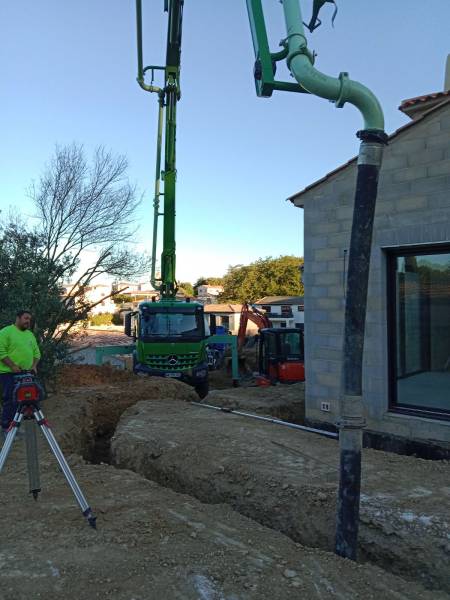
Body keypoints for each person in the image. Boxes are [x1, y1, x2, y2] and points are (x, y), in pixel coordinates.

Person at [0, 310, 41, 434]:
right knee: (10, 400)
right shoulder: (5, 332)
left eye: (29, 319)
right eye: (26, 318)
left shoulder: (30, 335)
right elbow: (1, 351)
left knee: (25, 400)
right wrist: (12, 366)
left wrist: (34, 365)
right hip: (8, 373)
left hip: (27, 373)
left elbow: (37, 353)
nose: (28, 321)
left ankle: (16, 426)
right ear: (18, 318)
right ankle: (6, 427)